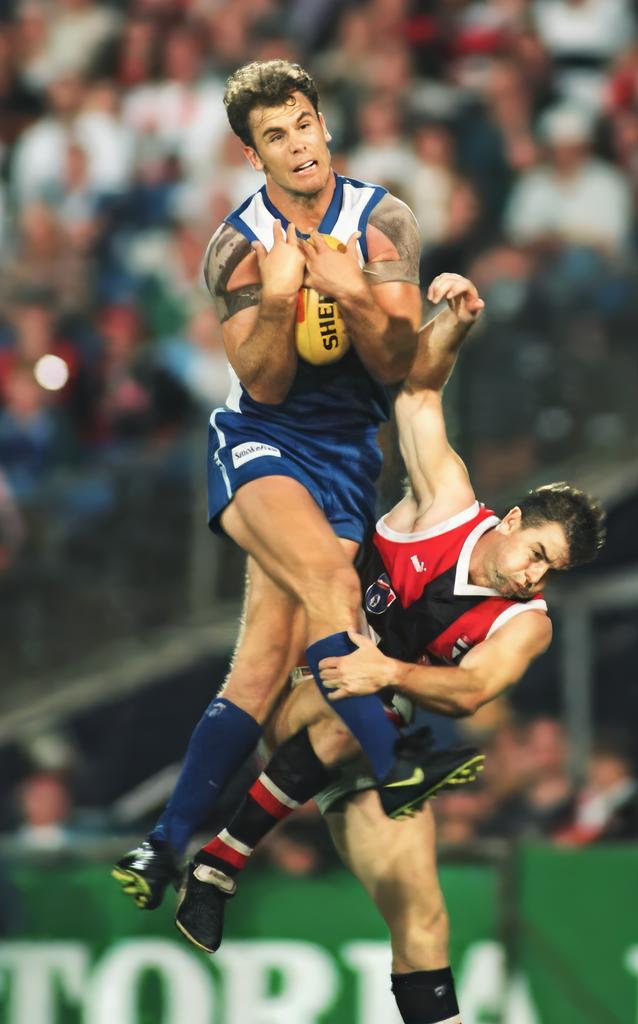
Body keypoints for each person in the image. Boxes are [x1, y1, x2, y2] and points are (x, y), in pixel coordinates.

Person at [175, 274, 606, 1024]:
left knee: (423, 919)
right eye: (536, 552)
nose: (533, 575)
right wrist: (457, 322)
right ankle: (219, 862)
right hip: (303, 689)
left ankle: (221, 865)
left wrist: (384, 671)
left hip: (376, 741)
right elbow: (417, 393)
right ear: (508, 520)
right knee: (353, 700)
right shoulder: (446, 501)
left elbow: (471, 692)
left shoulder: (526, 623)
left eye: (550, 571)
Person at [113, 59, 479, 910]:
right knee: (329, 584)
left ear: (323, 125)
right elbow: (266, 384)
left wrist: (356, 294)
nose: (298, 144)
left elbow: (397, 365)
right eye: (275, 135)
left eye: (304, 124)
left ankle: (168, 848)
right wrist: (281, 304)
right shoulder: (238, 248)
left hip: (350, 456)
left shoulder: (382, 221)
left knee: (263, 665)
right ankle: (397, 761)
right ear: (254, 155)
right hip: (261, 442)